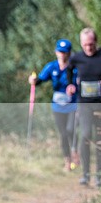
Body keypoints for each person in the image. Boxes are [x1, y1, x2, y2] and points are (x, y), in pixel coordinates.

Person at [70, 27, 101, 187]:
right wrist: (70, 84)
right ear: (81, 44)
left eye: (91, 44)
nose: (88, 48)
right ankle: (85, 174)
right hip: (84, 104)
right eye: (85, 45)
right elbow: (69, 70)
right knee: (84, 135)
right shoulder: (77, 58)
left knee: (100, 139)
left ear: (95, 42)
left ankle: (98, 175)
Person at [28, 39, 78, 171]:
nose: (62, 54)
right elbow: (40, 79)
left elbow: (81, 82)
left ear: (69, 53)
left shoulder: (74, 68)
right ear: (56, 52)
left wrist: (75, 88)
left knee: (70, 130)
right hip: (58, 106)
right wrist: (33, 80)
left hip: (73, 105)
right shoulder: (52, 67)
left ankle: (75, 153)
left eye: (65, 52)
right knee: (63, 133)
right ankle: (67, 161)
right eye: (60, 52)